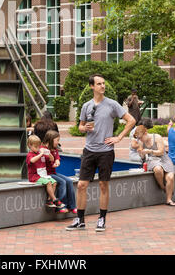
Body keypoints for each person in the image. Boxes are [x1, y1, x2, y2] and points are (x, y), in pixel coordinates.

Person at [66, 74, 136, 232]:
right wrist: (84, 128)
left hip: (106, 151)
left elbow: (131, 120)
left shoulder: (112, 104)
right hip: (89, 150)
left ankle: (102, 219)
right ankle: (80, 220)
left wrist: (119, 137)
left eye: (103, 83)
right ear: (92, 86)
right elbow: (80, 126)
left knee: (103, 185)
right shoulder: (86, 106)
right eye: (99, 84)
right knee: (82, 185)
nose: (102, 86)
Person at [134, 124, 175, 206]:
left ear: (145, 133)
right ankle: (162, 187)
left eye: (141, 137)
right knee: (158, 169)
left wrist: (150, 151)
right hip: (152, 160)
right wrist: (141, 153)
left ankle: (169, 200)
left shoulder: (157, 137)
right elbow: (143, 157)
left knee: (170, 177)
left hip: (163, 158)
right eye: (139, 138)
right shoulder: (141, 142)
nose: (140, 139)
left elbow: (161, 152)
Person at [42, 130, 77, 214]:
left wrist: (57, 161)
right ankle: (60, 205)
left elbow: (57, 157)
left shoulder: (54, 149)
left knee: (69, 181)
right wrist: (51, 159)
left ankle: (72, 206)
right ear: (51, 140)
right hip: (46, 173)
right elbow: (43, 162)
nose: (58, 142)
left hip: (53, 172)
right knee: (62, 182)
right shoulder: (43, 150)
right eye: (57, 140)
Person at [26, 134, 65, 210]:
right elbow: (32, 160)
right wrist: (40, 154)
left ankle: (49, 200)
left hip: (43, 175)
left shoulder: (40, 153)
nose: (38, 149)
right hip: (34, 177)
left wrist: (48, 153)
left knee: (54, 182)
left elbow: (51, 159)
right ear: (30, 146)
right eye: (35, 147)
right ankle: (55, 199)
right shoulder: (30, 155)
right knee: (48, 182)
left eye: (38, 147)